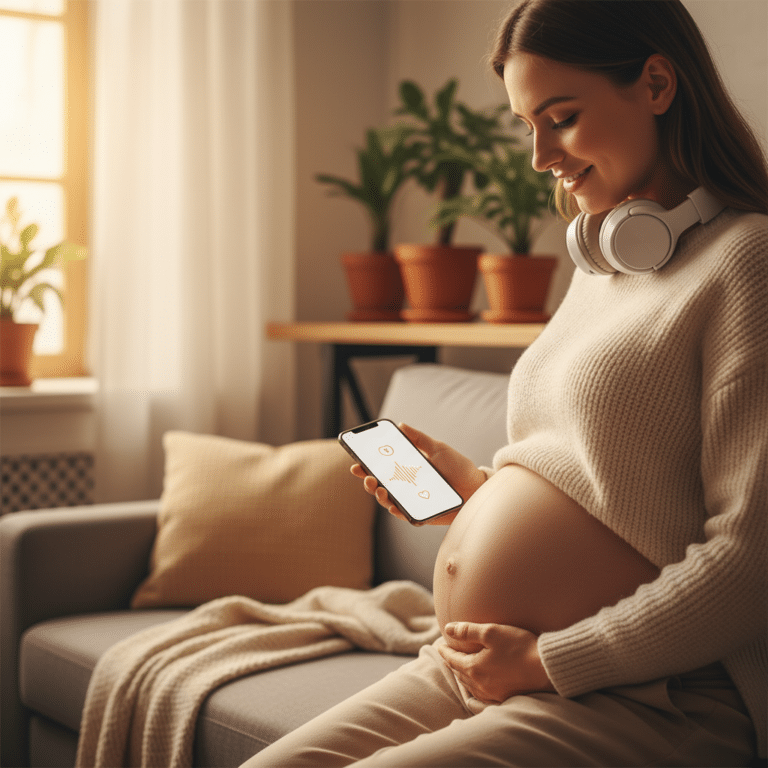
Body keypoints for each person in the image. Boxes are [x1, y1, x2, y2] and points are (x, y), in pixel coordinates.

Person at [241, 1, 767, 765]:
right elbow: (612, 487)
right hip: (472, 666)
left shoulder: (746, 262)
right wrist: (475, 494)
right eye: (529, 126)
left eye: (562, 118)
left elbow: (751, 560)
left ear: (656, 84)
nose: (541, 156)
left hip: (644, 694)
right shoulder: (608, 264)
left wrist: (550, 660)